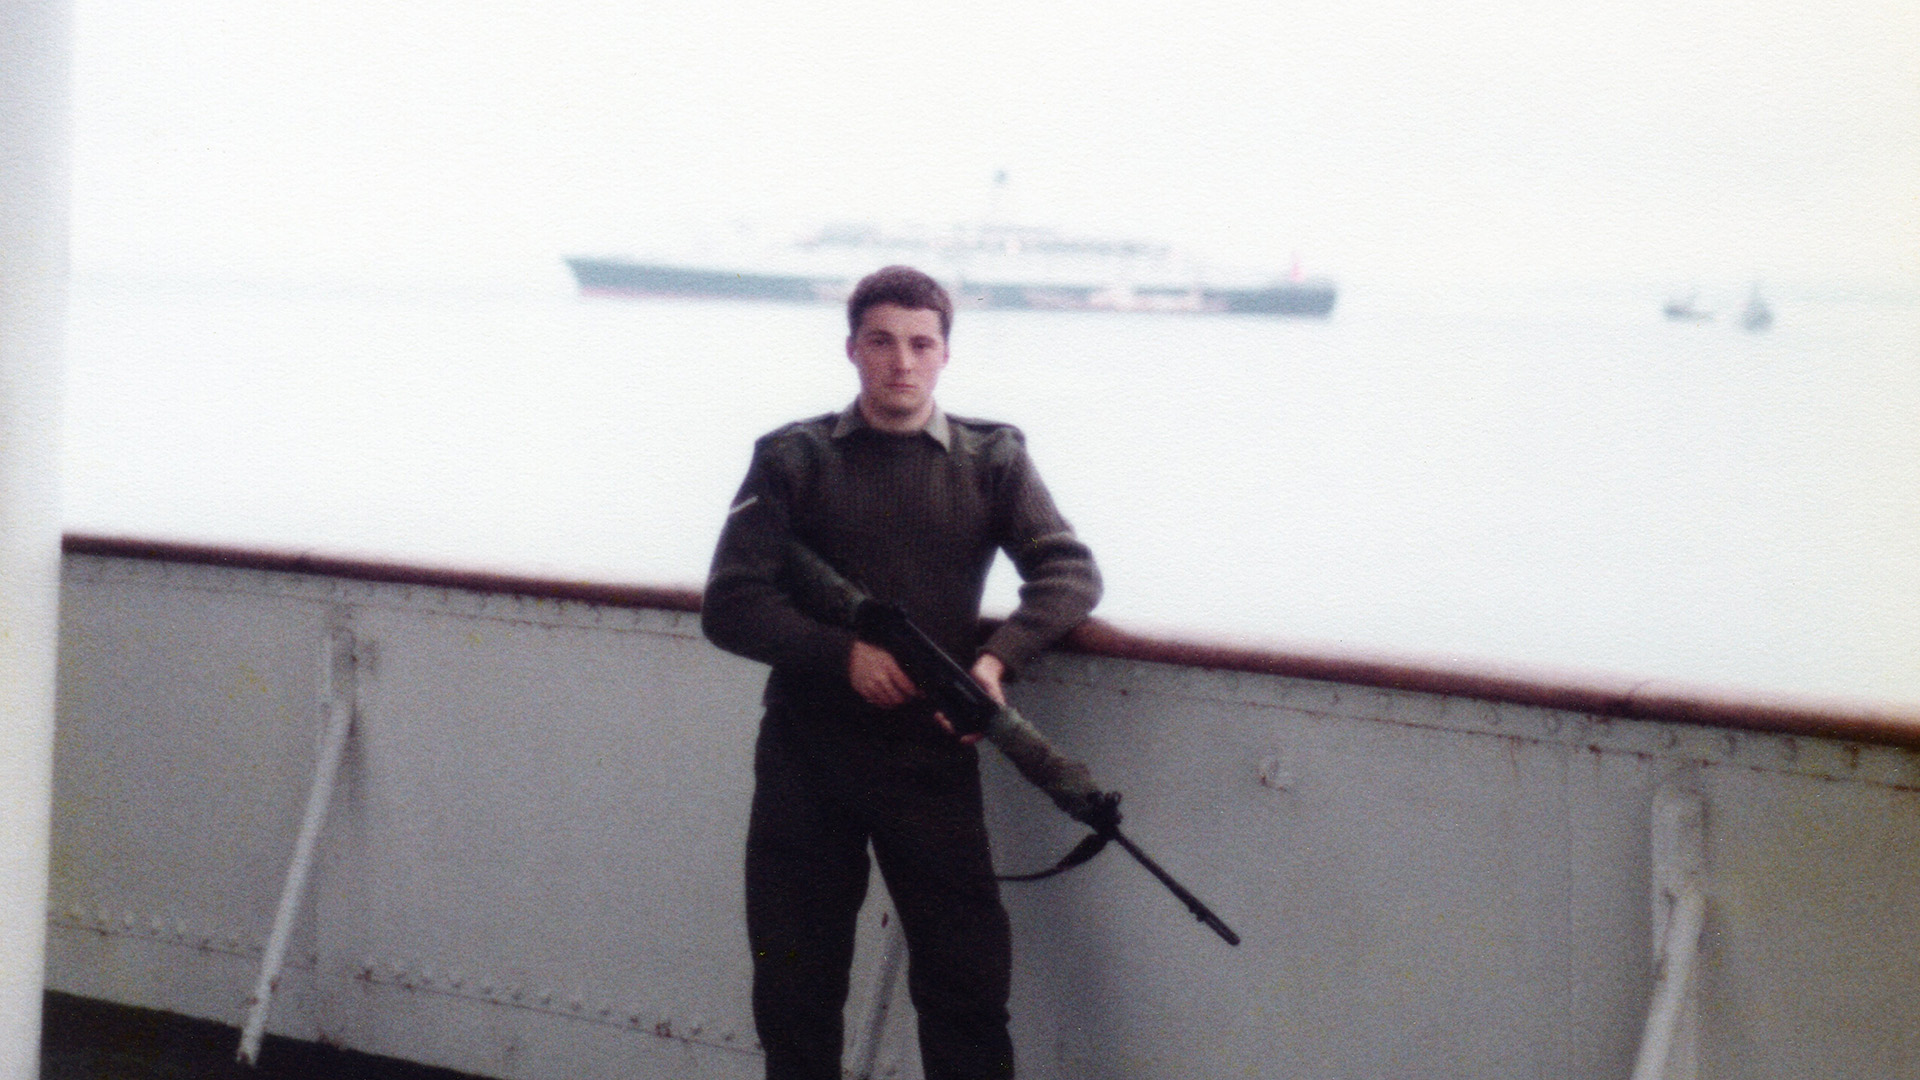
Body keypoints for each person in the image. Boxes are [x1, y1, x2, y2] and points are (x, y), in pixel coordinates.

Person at [701, 265, 1101, 1080]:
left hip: (931, 759)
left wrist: (996, 660)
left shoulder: (992, 459)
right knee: (795, 986)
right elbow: (732, 602)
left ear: (946, 353)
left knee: (967, 986)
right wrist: (842, 655)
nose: (902, 362)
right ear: (852, 349)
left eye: (921, 344)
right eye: (881, 342)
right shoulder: (792, 459)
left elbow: (1069, 573)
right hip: (806, 758)